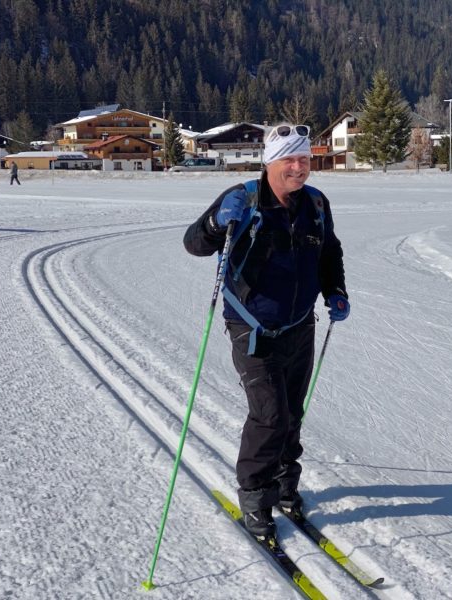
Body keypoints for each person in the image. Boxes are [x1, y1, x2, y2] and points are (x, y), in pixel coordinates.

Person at [183, 124, 349, 539]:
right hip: (251, 328)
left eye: (305, 159)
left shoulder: (315, 203)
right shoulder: (244, 199)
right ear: (269, 163)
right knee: (270, 415)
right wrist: (216, 224)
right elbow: (194, 244)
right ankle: (256, 497)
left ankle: (285, 484)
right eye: (289, 160)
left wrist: (337, 291)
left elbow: (329, 251)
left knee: (292, 412)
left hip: (299, 326)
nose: (299, 168)